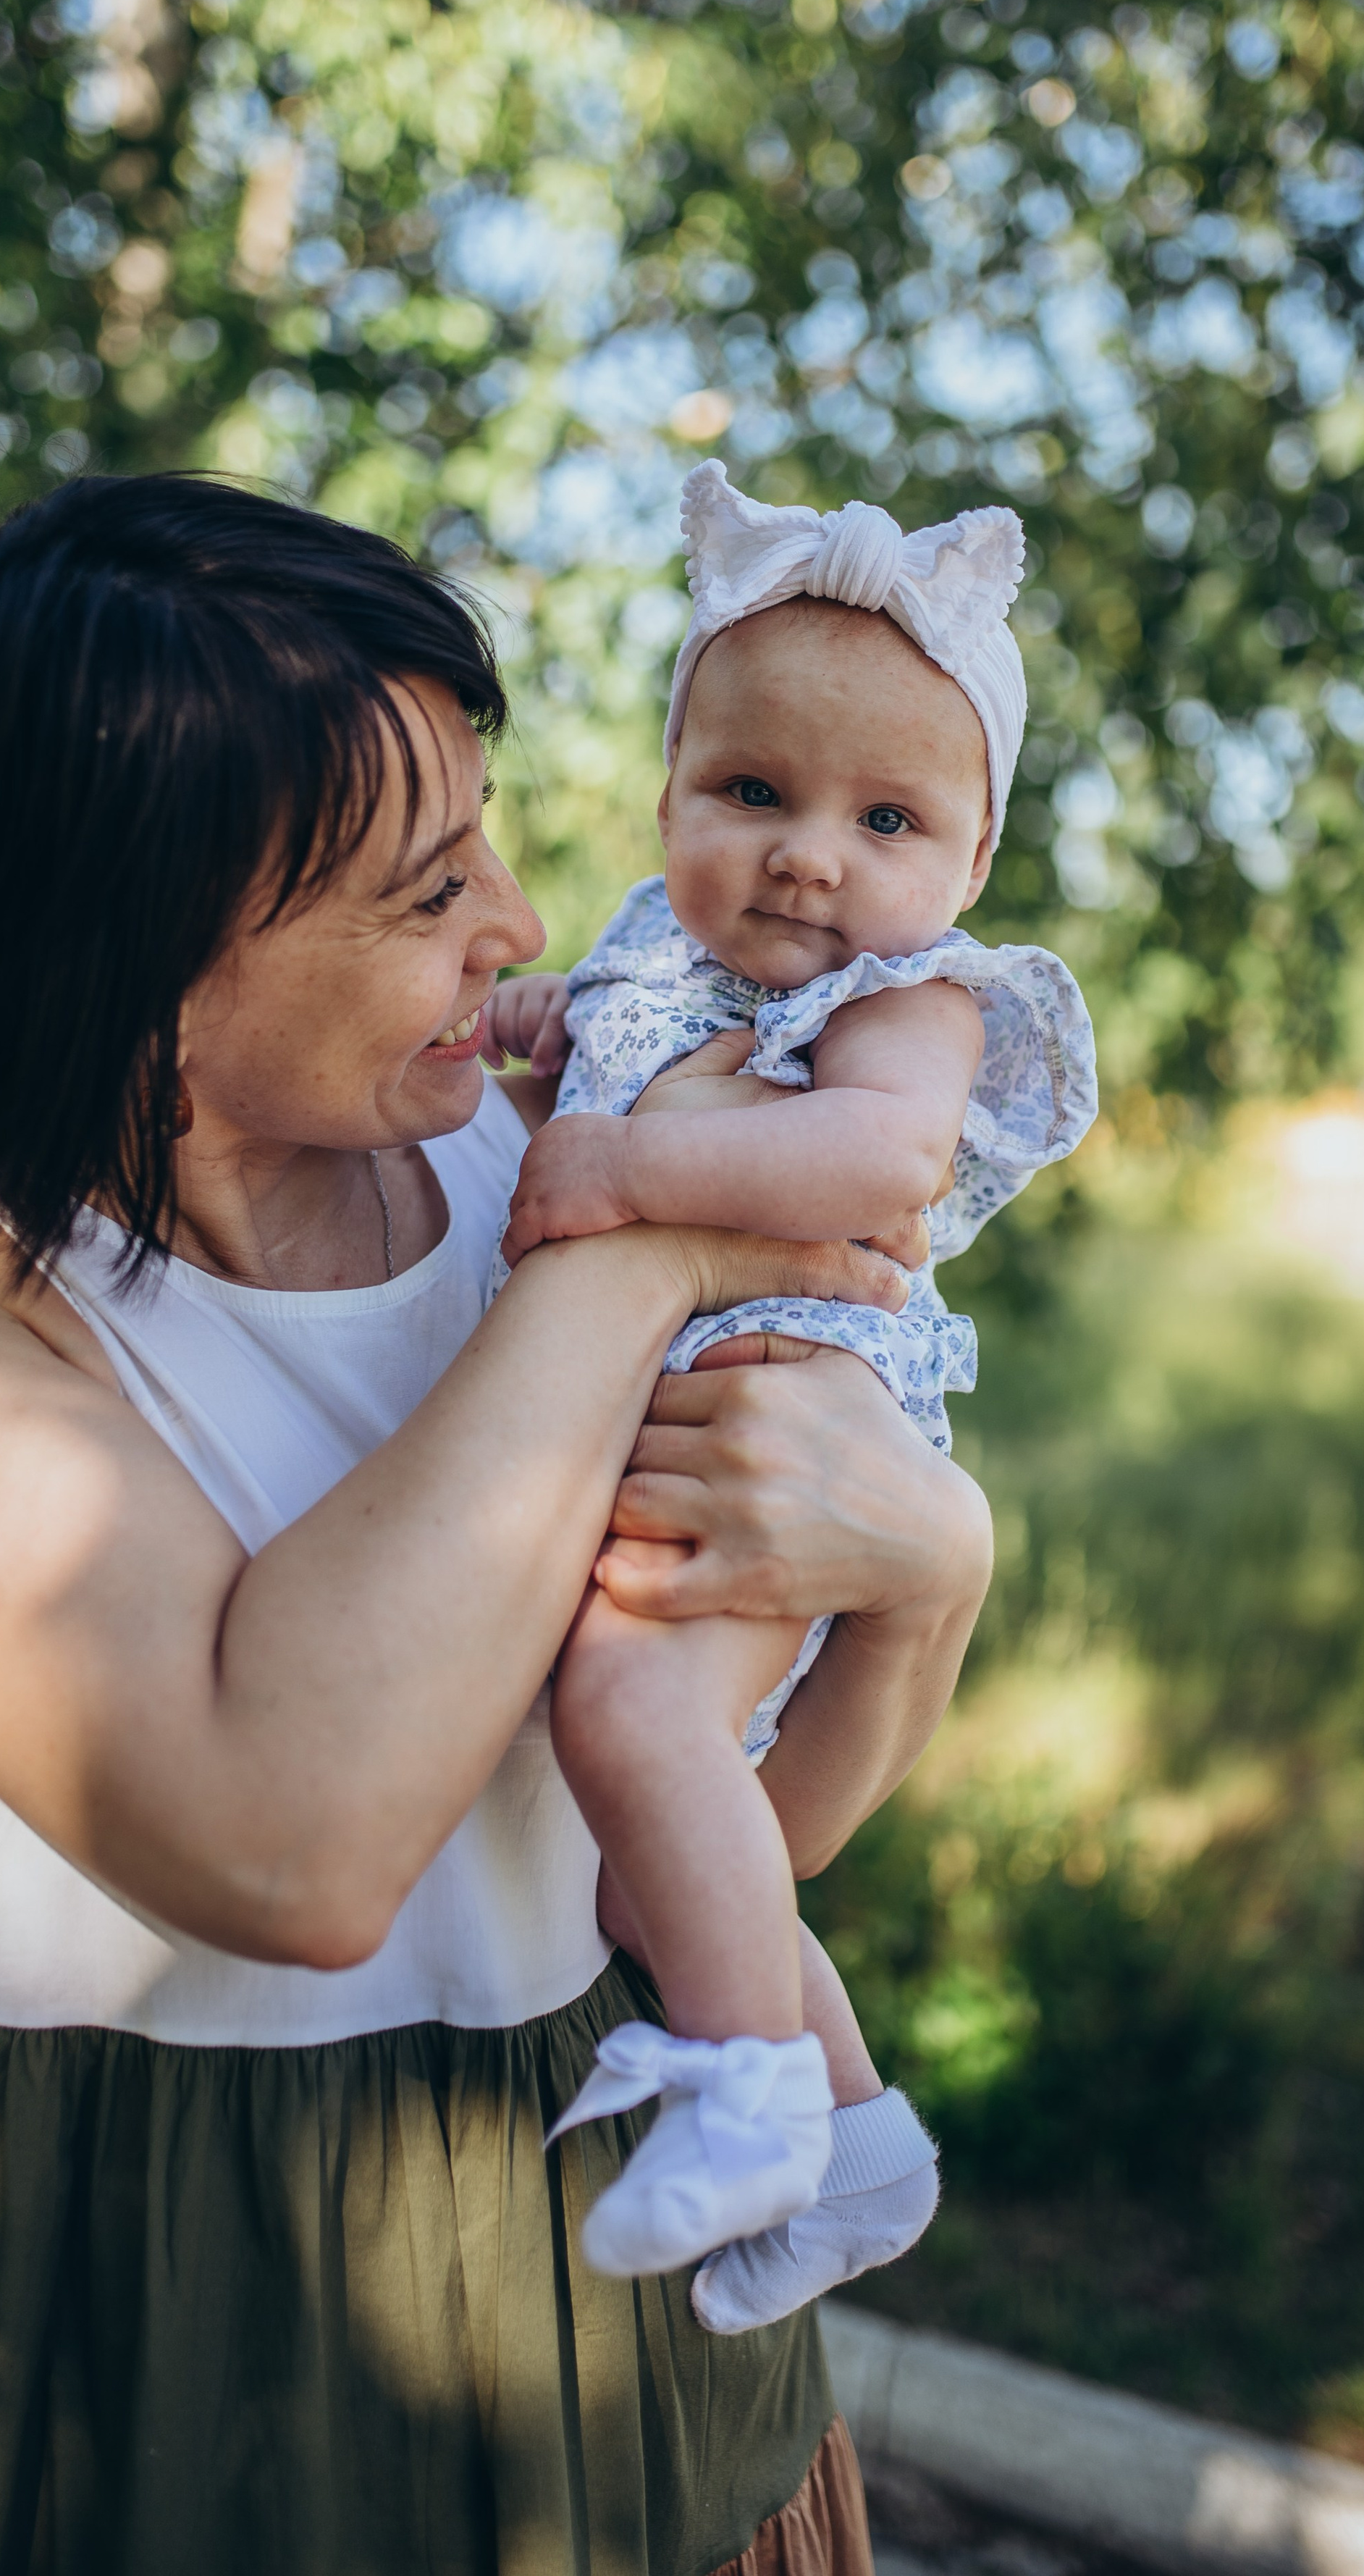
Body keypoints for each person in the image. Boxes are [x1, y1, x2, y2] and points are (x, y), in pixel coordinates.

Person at [0, 475, 993, 2576]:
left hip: (628, 2315)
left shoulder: (518, 1147)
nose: (521, 926)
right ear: (136, 952)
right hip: (164, 2338)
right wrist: (650, 1246)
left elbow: (729, 1850)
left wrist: (933, 1584)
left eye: (492, 838)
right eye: (426, 887)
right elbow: (292, 1842)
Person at [484, 462, 1097, 2330]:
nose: (810, 856)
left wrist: (618, 1168)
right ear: (668, 793)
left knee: (630, 1714)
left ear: (969, 864)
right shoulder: (651, 956)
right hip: (689, 1419)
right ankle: (851, 2136)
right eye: (752, 792)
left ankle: (747, 2100)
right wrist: (542, 1033)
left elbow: (876, 1164)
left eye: (885, 816)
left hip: (786, 1412)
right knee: (655, 1876)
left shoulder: (920, 998)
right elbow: (590, 1048)